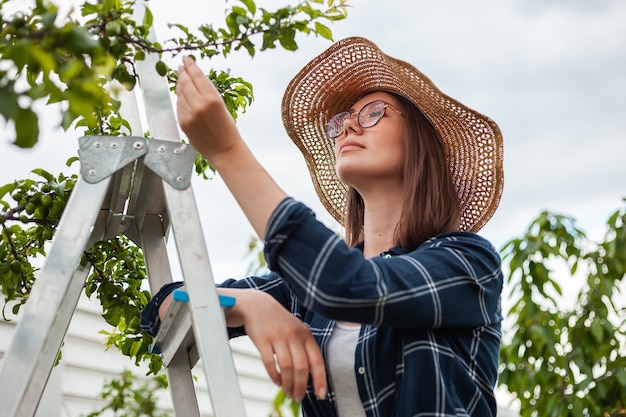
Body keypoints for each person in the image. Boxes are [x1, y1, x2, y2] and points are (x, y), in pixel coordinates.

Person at [140, 36, 504, 416]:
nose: (349, 126)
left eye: (372, 113)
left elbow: (348, 285)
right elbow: (165, 307)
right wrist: (249, 303)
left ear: (419, 142)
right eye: (343, 120)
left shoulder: (468, 262)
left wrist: (228, 152)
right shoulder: (304, 291)